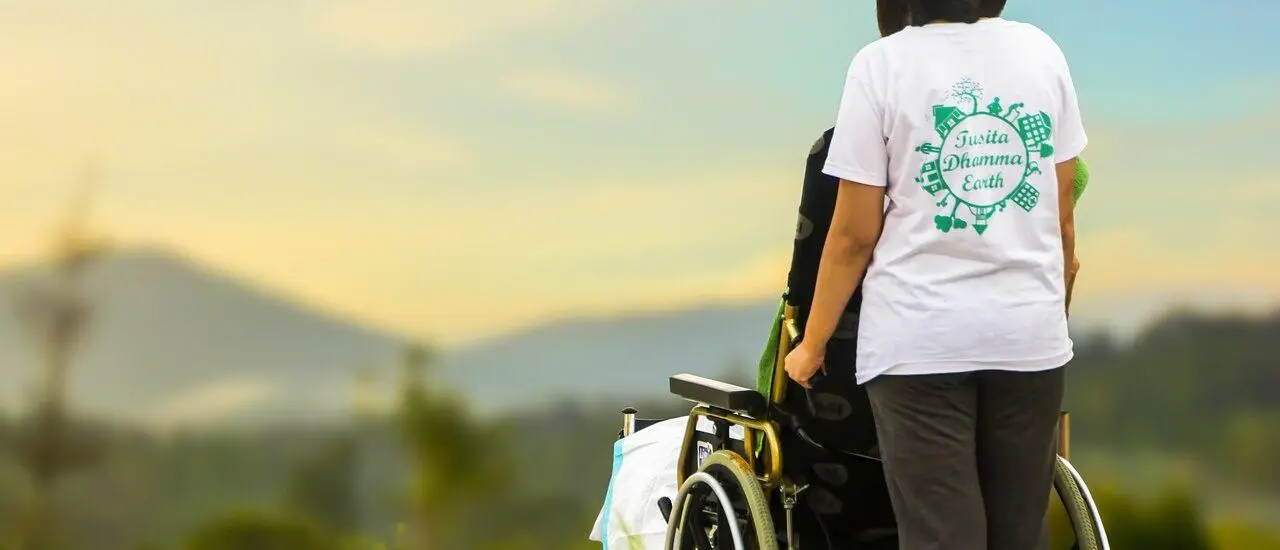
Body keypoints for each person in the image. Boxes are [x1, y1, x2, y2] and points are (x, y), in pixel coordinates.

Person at [783, 0, 1087, 549]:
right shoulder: (1041, 52)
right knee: (1020, 533)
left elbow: (852, 237)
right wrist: (1050, 313)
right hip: (1028, 340)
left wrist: (813, 344)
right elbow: (1060, 218)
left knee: (943, 535)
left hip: (919, 343)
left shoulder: (881, 64)